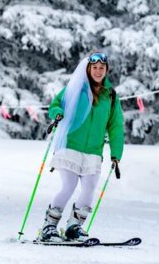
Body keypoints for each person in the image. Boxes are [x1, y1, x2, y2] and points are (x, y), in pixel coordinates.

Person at [37, 52, 125, 242]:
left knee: (89, 190)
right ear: (88, 69)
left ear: (106, 70)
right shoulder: (76, 87)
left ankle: (73, 227)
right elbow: (56, 104)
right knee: (68, 187)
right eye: (95, 68)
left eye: (102, 68)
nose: (98, 71)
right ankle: (48, 227)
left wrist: (116, 153)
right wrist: (57, 113)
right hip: (70, 145)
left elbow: (116, 126)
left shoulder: (110, 96)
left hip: (94, 151)